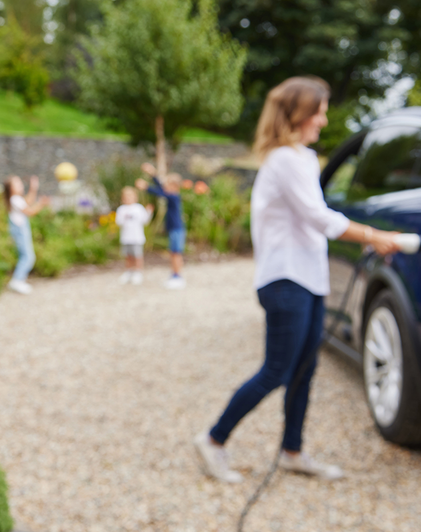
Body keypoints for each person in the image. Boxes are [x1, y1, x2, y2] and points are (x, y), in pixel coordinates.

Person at [193, 76, 402, 483]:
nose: (323, 120)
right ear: (298, 114)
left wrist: (363, 238)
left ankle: (293, 451)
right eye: (318, 112)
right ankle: (213, 439)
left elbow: (311, 220)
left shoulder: (302, 159)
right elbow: (317, 217)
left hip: (309, 279)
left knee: (304, 369)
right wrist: (373, 235)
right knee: (277, 370)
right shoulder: (285, 161)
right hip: (285, 280)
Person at [135, 164, 187, 289]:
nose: (165, 187)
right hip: (174, 229)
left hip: (177, 229)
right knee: (173, 253)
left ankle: (177, 276)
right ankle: (174, 274)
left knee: (176, 253)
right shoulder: (172, 196)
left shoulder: (174, 197)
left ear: (174, 186)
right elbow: (161, 188)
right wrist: (152, 174)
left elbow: (161, 192)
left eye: (168, 185)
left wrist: (146, 187)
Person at [3, 175, 49, 295]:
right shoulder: (14, 199)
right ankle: (17, 281)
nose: (21, 185)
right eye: (17, 184)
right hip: (20, 233)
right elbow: (30, 211)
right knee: (27, 257)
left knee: (27, 256)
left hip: (22, 232)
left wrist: (33, 189)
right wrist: (41, 204)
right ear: (10, 188)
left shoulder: (17, 200)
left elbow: (28, 201)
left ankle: (19, 280)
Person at [114, 186, 154, 285]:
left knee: (137, 255)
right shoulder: (121, 209)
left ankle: (138, 272)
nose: (128, 198)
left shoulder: (139, 208)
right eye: (126, 196)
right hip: (126, 238)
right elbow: (118, 222)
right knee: (128, 255)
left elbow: (145, 220)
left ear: (135, 197)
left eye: (130, 196)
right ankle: (129, 271)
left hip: (137, 238)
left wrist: (149, 212)